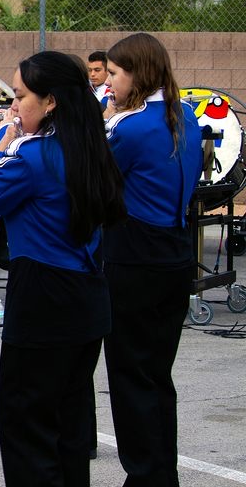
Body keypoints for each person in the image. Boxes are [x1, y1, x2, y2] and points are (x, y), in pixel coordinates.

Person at [0, 51, 126, 487]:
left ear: (50, 101)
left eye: (20, 96)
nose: (13, 106)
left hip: (43, 297)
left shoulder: (33, 155)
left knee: (26, 425)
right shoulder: (91, 146)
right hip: (87, 296)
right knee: (69, 424)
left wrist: (2, 145)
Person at [102, 33, 202, 487]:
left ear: (137, 75)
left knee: (130, 375)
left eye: (115, 74)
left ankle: (145, 476)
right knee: (157, 374)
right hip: (176, 251)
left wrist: (105, 121)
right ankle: (162, 472)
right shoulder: (186, 117)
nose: (108, 83)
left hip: (135, 256)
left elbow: (94, 181)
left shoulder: (130, 125)